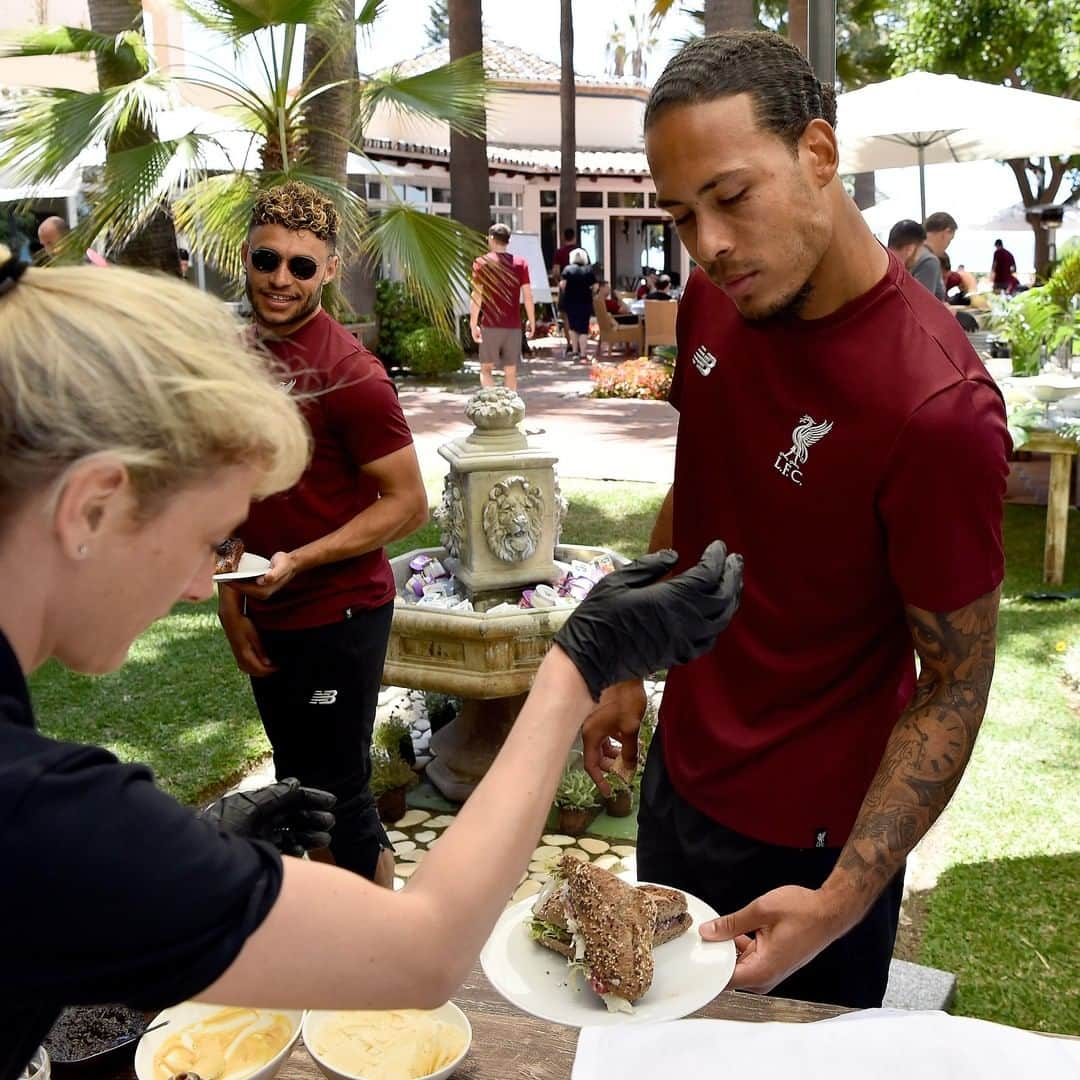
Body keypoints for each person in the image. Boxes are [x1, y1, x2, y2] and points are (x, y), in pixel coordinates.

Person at [0, 241, 746, 1080]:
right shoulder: (34, 809)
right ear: (91, 505)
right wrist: (577, 663)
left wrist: (178, 861)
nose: (195, 586)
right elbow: (420, 957)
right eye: (214, 541)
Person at [583, 30, 1010, 1011]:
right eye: (683, 216)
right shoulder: (717, 296)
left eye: (731, 198)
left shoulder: (937, 409)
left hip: (808, 841)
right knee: (653, 1040)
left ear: (819, 153)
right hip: (680, 777)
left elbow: (954, 684)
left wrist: (844, 899)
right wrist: (627, 663)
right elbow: (702, 489)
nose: (710, 243)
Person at [217, 181, 428, 888]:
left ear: (329, 271)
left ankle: (374, 958)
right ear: (245, 255)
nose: (281, 279)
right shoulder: (237, 356)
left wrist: (300, 560)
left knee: (332, 793)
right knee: (299, 784)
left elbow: (407, 505)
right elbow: (237, 488)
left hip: (339, 615)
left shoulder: (350, 374)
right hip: (268, 609)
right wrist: (232, 603)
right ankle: (358, 943)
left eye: (301, 266)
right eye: (267, 259)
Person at [470, 222, 535, 392]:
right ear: (508, 240)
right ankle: (509, 411)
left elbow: (477, 296)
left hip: (490, 325)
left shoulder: (481, 263)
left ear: (491, 238)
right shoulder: (521, 264)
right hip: (513, 326)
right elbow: (528, 296)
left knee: (486, 369)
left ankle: (492, 405)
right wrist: (531, 321)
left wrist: (473, 323)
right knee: (510, 372)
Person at [908, 211, 957, 302]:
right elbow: (922, 304)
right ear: (946, 233)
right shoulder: (929, 261)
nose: (947, 246)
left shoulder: (915, 252)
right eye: (950, 240)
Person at [559, 247, 597, 361]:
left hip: (571, 301)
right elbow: (595, 287)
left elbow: (563, 285)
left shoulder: (567, 269)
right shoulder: (589, 270)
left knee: (573, 327)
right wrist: (591, 292)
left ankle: (575, 351)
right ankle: (583, 354)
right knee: (583, 328)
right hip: (585, 302)